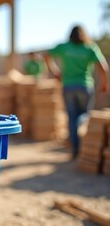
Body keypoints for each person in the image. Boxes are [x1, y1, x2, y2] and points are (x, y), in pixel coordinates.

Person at [44, 25, 109, 159]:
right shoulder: (90, 47)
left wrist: (54, 72)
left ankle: (76, 148)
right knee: (84, 115)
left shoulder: (65, 47)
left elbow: (46, 55)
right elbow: (103, 66)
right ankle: (81, 134)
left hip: (68, 86)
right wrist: (104, 83)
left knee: (72, 117)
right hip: (85, 86)